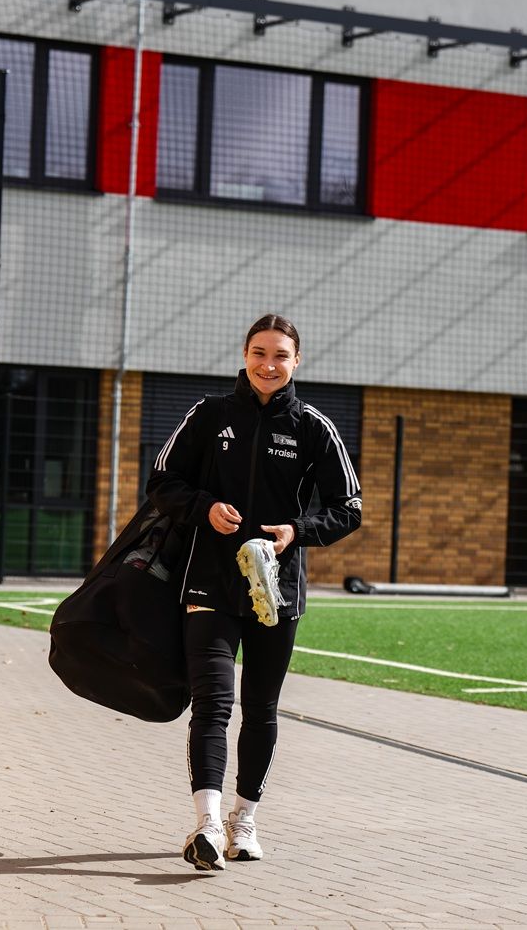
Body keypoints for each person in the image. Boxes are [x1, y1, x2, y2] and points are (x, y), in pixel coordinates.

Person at [146, 314, 362, 871]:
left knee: (261, 709)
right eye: (260, 352)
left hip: (276, 591)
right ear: (244, 354)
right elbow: (163, 482)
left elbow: (349, 508)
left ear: (297, 361)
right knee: (213, 705)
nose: (269, 364)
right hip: (210, 582)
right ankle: (208, 824)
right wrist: (205, 509)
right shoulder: (210, 415)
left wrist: (298, 531)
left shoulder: (313, 426)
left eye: (281, 355)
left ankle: (245, 820)